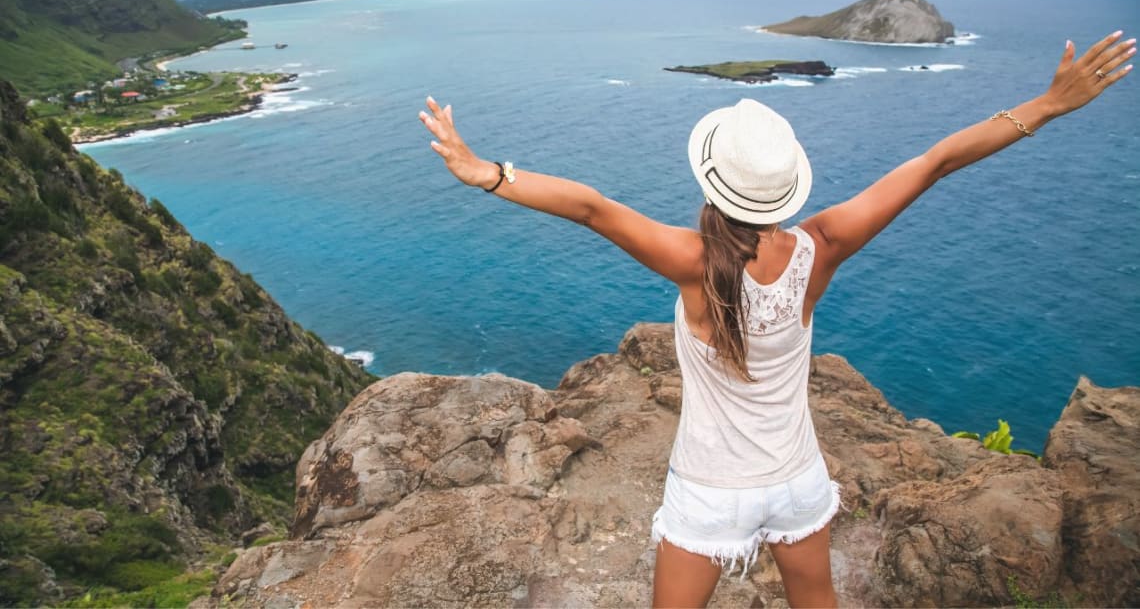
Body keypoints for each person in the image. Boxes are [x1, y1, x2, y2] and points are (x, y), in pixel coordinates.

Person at [418, 31, 1133, 608]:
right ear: (785, 184)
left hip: (709, 491)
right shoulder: (821, 249)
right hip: (799, 481)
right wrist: (1045, 104)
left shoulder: (694, 261)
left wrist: (489, 172)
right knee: (815, 598)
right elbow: (935, 162)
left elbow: (592, 206)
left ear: (713, 181)